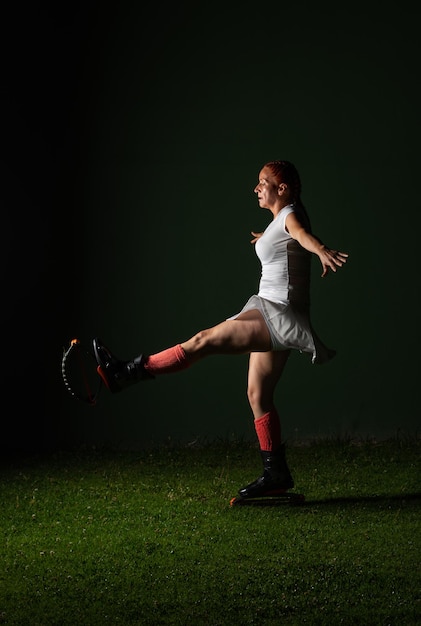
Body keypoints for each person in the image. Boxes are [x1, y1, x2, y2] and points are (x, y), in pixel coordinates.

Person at [93, 160, 348, 499]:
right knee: (257, 395)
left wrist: (321, 250)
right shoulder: (280, 219)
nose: (256, 188)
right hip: (270, 309)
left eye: (263, 183)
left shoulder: (290, 215)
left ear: (282, 189)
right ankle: (276, 474)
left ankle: (127, 371)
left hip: (278, 314)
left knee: (204, 340)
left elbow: (301, 235)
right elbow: (285, 239)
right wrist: (265, 239)